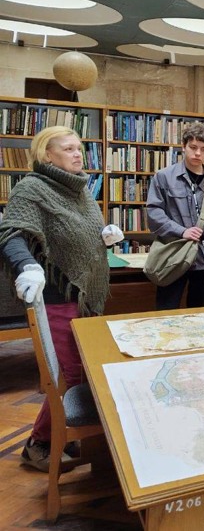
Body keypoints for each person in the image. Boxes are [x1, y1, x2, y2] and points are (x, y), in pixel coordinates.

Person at [0, 126, 124, 472]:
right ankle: (41, 444)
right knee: (72, 374)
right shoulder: (32, 189)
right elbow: (10, 233)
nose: (77, 154)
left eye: (79, 148)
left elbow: (74, 234)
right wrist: (26, 265)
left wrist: (102, 236)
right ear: (46, 154)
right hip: (59, 295)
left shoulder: (80, 189)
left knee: (78, 372)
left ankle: (58, 438)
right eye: (68, 148)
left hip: (86, 296)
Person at [146, 122, 204, 310]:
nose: (197, 153)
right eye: (193, 147)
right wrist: (181, 231)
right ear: (183, 147)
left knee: (201, 312)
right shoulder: (164, 177)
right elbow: (154, 213)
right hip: (174, 257)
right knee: (166, 311)